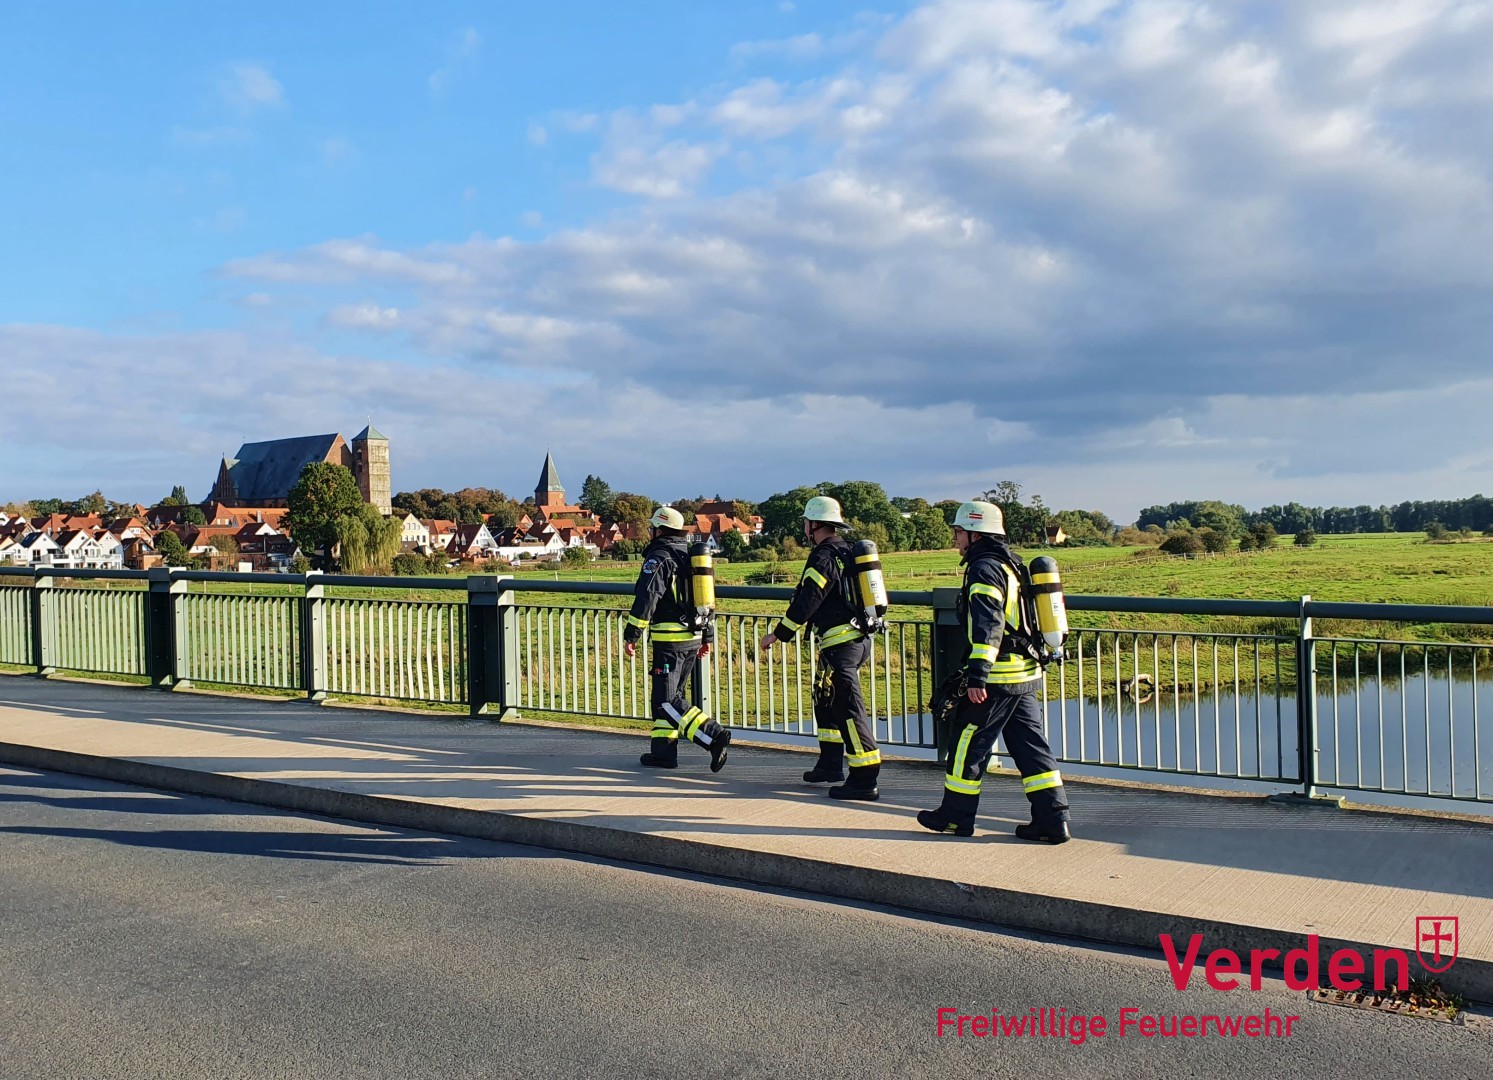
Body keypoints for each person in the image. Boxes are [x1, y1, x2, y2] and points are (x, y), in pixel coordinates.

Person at [916, 501, 1071, 842]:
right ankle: (1053, 819)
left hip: (998, 678)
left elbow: (989, 626)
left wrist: (978, 676)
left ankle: (955, 818)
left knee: (966, 746)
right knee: (1032, 749)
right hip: (1025, 673)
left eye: (958, 532)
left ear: (975, 533)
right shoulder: (1010, 564)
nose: (955, 539)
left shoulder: (984, 568)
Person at [758, 496, 881, 800]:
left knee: (848, 708)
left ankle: (865, 777)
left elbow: (808, 598)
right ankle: (829, 764)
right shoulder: (845, 551)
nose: (804, 527)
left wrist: (779, 633)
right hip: (853, 639)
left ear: (814, 524)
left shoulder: (823, 556)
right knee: (825, 702)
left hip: (841, 643)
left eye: (805, 522)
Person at [624, 506, 731, 772]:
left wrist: (632, 633)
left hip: (670, 640)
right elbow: (706, 600)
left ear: (658, 529)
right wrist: (706, 635)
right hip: (693, 636)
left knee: (666, 700)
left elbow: (647, 596)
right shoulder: (690, 555)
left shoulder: (659, 557)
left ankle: (713, 735)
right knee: (672, 695)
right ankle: (663, 753)